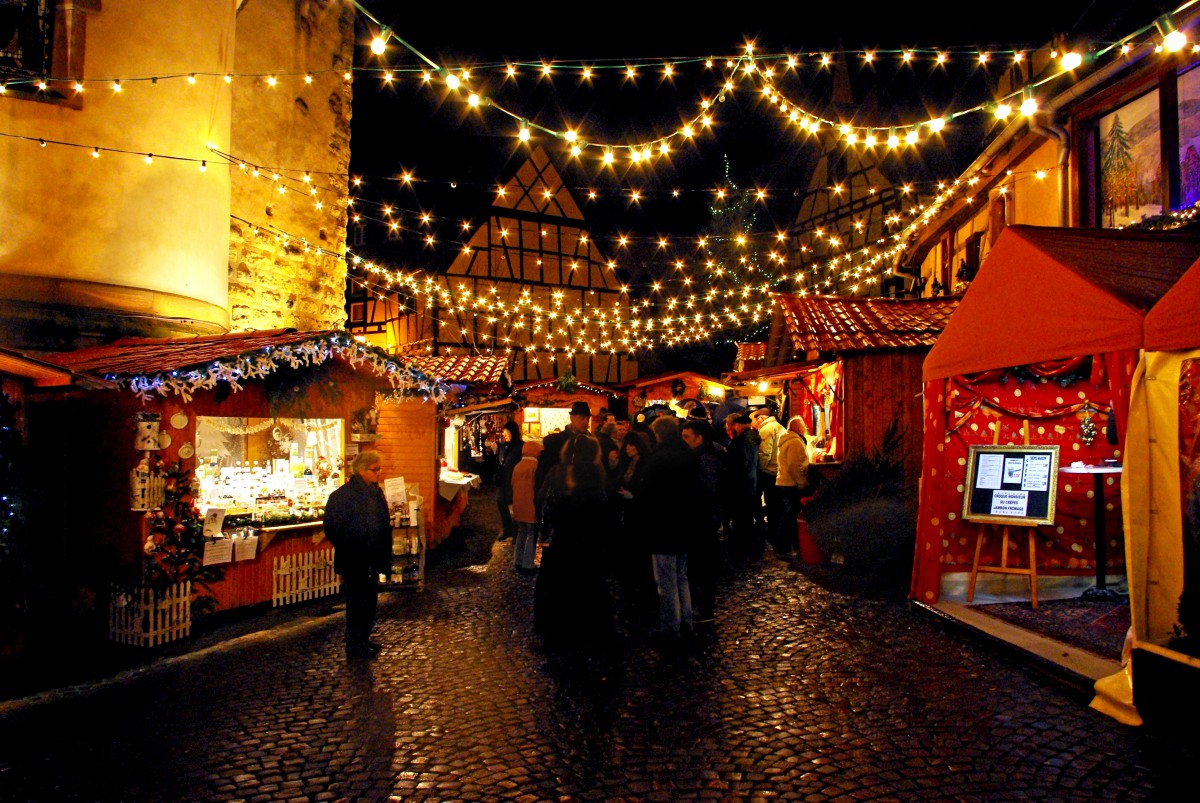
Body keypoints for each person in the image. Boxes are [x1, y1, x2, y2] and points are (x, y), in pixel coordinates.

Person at [533, 433, 615, 648]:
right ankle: (589, 628)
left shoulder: (560, 473)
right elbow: (604, 508)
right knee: (590, 585)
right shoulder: (598, 474)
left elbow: (545, 502)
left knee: (560, 587)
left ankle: (560, 629)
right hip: (590, 542)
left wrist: (545, 533)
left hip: (564, 540)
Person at [323, 450, 393, 659]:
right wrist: (350, 545)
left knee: (370, 600)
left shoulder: (375, 492)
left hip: (372, 557)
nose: (378, 473)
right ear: (362, 471)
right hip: (354, 558)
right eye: (375, 469)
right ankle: (354, 643)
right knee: (356, 602)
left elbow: (381, 521)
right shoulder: (342, 496)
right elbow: (332, 527)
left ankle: (363, 638)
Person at [639, 415, 702, 639]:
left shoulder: (658, 459)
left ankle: (670, 626)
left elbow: (646, 493)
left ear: (658, 435)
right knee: (682, 576)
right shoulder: (690, 456)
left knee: (666, 580)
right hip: (685, 524)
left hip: (662, 526)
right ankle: (686, 620)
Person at [681, 418, 723, 626]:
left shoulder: (706, 458)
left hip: (704, 519)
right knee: (701, 565)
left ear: (699, 438)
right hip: (705, 518)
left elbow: (708, 490)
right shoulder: (708, 454)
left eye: (687, 437)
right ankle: (702, 606)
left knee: (703, 566)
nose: (684, 441)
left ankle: (704, 609)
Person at [773, 416, 811, 558]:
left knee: (788, 515)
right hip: (791, 484)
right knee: (790, 516)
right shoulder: (795, 442)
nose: (805, 429)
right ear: (797, 428)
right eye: (803, 427)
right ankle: (785, 548)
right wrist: (802, 483)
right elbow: (795, 466)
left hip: (784, 482)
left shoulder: (787, 440)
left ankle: (783, 547)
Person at [723, 411, 760, 550]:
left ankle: (743, 541)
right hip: (750, 481)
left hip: (741, 483)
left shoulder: (742, 441)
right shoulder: (752, 438)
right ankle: (746, 539)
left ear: (739, 426)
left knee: (741, 514)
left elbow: (741, 463)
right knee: (746, 513)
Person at [751, 406, 785, 545]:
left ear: (761, 418)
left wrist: (760, 469)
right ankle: (776, 532)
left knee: (771, 504)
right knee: (777, 505)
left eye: (757, 419)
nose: (757, 422)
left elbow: (764, 453)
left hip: (770, 472)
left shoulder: (766, 429)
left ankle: (772, 533)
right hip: (778, 470)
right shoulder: (779, 427)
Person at [510, 438, 544, 575]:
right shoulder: (535, 466)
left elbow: (512, 484)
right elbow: (537, 487)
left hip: (518, 504)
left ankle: (517, 561)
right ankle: (528, 564)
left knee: (521, 533)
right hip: (531, 504)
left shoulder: (518, 466)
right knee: (531, 534)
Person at [495, 420, 523, 541]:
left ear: (513, 432)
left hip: (515, 481)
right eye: (504, 433)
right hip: (503, 480)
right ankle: (507, 529)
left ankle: (516, 532)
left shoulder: (521, 446)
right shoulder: (503, 446)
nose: (504, 435)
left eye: (507, 433)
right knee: (501, 503)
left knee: (516, 507)